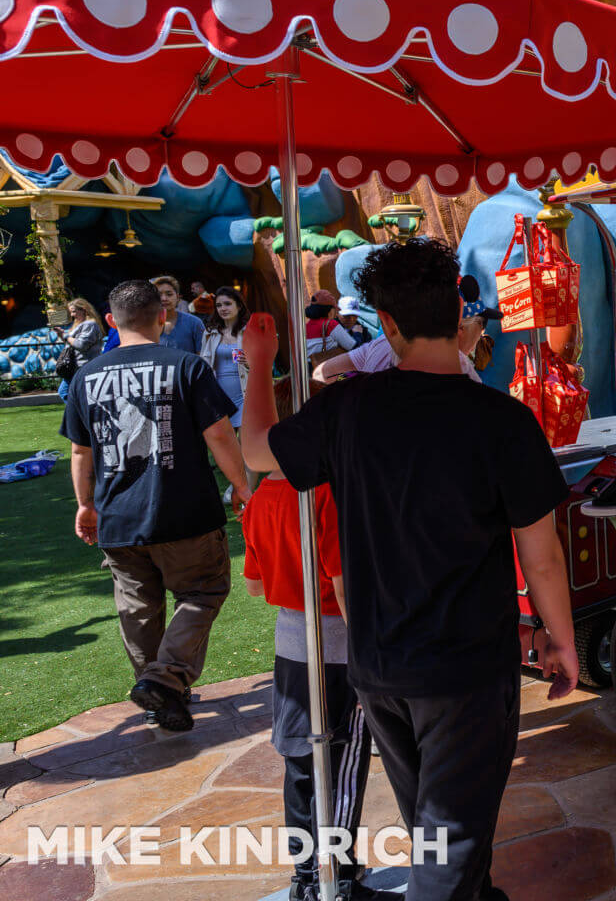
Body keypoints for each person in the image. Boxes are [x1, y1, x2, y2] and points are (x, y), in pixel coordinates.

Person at [239, 238, 578, 901]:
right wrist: (559, 640)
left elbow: (255, 451)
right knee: (448, 842)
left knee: (439, 832)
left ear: (387, 324)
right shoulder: (502, 421)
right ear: (460, 314)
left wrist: (258, 366)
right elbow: (542, 554)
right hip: (465, 669)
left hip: (378, 667)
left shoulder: (346, 410)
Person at [61, 279, 250, 731]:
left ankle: (161, 693)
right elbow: (220, 433)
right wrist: (242, 485)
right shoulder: (185, 366)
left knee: (138, 611)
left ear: (111, 321)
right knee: (202, 591)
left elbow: (80, 452)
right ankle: (164, 683)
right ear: (162, 317)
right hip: (184, 512)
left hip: (118, 515)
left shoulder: (87, 377)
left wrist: (85, 505)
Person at [242, 376, 376, 901]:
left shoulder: (258, 501)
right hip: (340, 645)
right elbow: (344, 587)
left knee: (301, 763)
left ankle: (306, 876)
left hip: (289, 645)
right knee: (342, 762)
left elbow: (254, 585)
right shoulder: (326, 492)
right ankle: (336, 880)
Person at [312, 314, 483, 384]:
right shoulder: (462, 373)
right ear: (459, 328)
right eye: (480, 331)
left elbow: (321, 374)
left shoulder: (380, 344)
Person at [201, 286, 250, 428]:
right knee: (227, 443)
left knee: (244, 441)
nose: (223, 308)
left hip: (244, 392)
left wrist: (250, 363)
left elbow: (265, 365)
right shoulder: (210, 333)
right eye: (219, 305)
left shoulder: (249, 331)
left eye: (228, 304)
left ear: (239, 306)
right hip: (219, 394)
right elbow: (205, 363)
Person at [53, 297, 105, 401]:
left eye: (74, 312)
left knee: (64, 391)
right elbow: (72, 344)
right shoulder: (80, 324)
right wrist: (61, 335)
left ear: (84, 310)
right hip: (75, 367)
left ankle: (79, 414)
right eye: (71, 312)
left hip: (84, 366)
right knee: (74, 394)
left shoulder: (90, 324)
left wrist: (66, 336)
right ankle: (81, 414)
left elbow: (81, 345)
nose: (72, 315)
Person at [151, 275, 205, 354]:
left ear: (178, 297)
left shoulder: (194, 323)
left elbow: (202, 356)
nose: (164, 299)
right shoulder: (147, 325)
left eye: (169, 294)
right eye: (159, 295)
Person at [305, 290, 356, 360]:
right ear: (329, 310)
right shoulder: (330, 325)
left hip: (308, 368)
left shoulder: (305, 327)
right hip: (326, 367)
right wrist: (358, 333)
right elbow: (351, 346)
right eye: (334, 309)